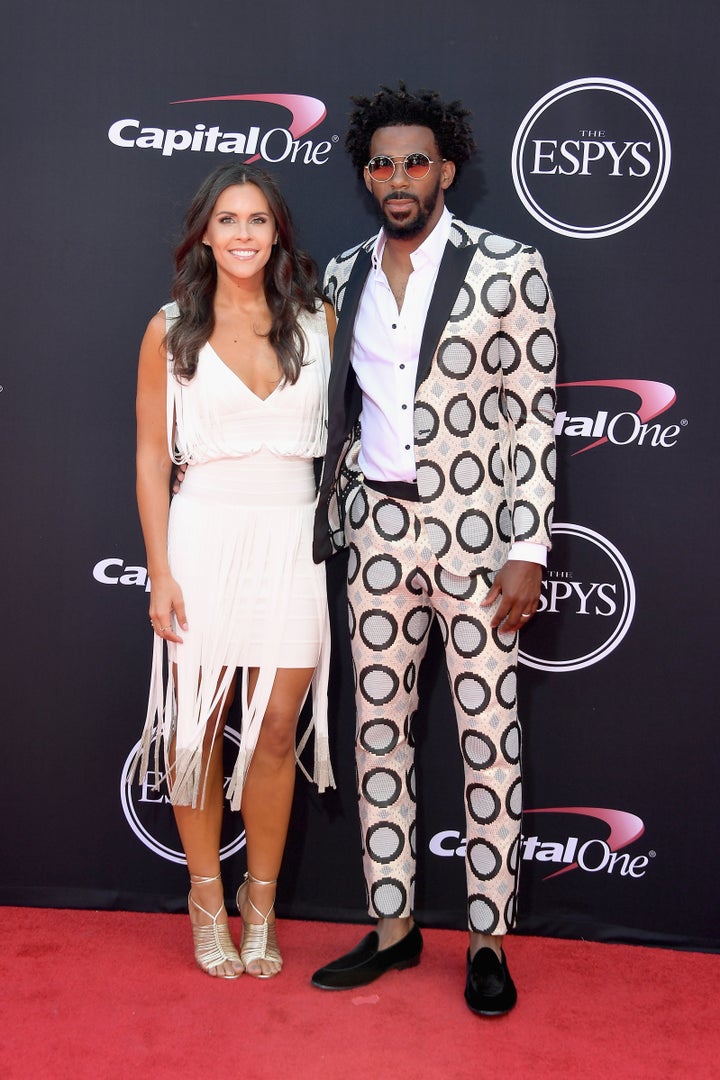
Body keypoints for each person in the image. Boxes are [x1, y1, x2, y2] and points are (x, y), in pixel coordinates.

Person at [311, 84, 557, 1015]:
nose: (399, 176)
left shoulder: (509, 266)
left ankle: (488, 938)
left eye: (416, 160)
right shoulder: (341, 277)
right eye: (383, 163)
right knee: (380, 736)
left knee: (489, 740)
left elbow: (534, 418)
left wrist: (526, 546)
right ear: (367, 176)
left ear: (446, 168)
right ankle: (394, 927)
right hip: (376, 536)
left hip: (480, 542)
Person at [134, 162, 335, 980]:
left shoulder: (317, 319)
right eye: (228, 220)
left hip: (292, 535)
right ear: (205, 234)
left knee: (278, 728)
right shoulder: (171, 326)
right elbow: (151, 455)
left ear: (277, 230)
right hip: (204, 536)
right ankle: (206, 900)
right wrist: (159, 569)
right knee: (195, 734)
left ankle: (262, 906)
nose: (244, 234)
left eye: (257, 219)